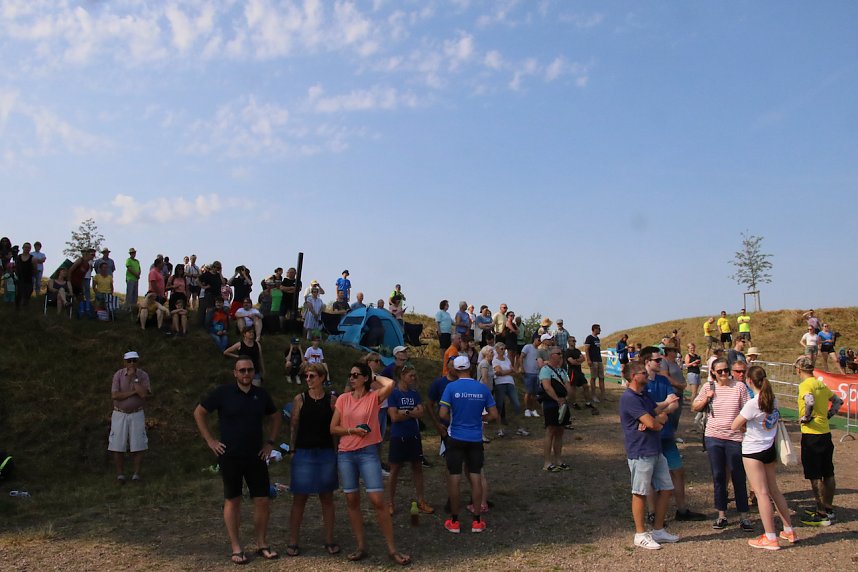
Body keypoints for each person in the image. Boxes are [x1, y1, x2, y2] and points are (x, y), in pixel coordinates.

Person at [193, 357, 281, 565]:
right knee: (233, 500)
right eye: (242, 370)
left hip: (256, 456)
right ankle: (236, 547)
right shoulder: (223, 393)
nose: (246, 374)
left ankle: (262, 543)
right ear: (235, 373)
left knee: (262, 500)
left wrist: (270, 443)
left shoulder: (261, 395)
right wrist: (210, 441)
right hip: (230, 455)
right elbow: (199, 412)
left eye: (249, 370)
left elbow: (276, 417)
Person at [329, 362, 411, 566]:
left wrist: (374, 376)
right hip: (346, 454)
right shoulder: (342, 399)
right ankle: (360, 546)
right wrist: (352, 431)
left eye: (356, 375)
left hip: (367, 453)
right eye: (350, 374)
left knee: (377, 501)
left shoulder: (373, 398)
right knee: (352, 501)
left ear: (365, 378)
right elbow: (333, 428)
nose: (352, 378)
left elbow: (390, 383)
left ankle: (392, 549)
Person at [731, 365, 797, 550]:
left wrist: (745, 427)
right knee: (774, 490)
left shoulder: (753, 403)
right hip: (769, 448)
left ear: (750, 381)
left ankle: (770, 536)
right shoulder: (773, 400)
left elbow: (734, 425)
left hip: (753, 450)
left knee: (761, 493)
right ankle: (788, 529)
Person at [619, 361, 680, 550]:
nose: (646, 374)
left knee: (667, 488)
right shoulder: (629, 398)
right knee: (640, 492)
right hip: (641, 451)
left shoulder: (643, 394)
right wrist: (658, 420)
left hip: (655, 449)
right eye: (642, 373)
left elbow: (653, 413)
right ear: (633, 376)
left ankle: (658, 529)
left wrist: (660, 413)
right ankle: (640, 533)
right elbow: (653, 422)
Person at [640, 347, 705, 523]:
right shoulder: (641, 382)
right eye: (657, 360)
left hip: (667, 434)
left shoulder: (662, 380)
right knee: (651, 476)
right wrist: (663, 406)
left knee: (678, 471)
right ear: (647, 362)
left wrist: (659, 409)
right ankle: (652, 513)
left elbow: (674, 403)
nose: (661, 363)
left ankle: (682, 510)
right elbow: (643, 409)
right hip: (650, 437)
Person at [691, 356, 752, 532]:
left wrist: (742, 425)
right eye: (720, 371)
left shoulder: (739, 387)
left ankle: (744, 516)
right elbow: (694, 406)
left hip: (734, 437)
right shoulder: (708, 387)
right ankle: (721, 515)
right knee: (718, 476)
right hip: (714, 436)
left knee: (738, 475)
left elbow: (748, 408)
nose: (724, 374)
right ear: (713, 372)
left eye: (726, 370)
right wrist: (706, 398)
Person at [439, 356, 499, 534]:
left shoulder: (451, 387)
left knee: (454, 477)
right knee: (475, 477)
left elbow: (442, 413)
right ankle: (477, 520)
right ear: (471, 369)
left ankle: (455, 521)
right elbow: (494, 414)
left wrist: (454, 419)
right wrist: (482, 418)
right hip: (475, 438)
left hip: (456, 436)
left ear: (456, 370)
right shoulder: (481, 388)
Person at [286, 362, 339, 557]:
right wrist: (292, 450)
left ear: (322, 378)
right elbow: (294, 425)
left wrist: (336, 451)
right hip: (304, 452)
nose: (308, 380)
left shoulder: (331, 400)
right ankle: (293, 540)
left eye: (312, 376)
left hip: (325, 452)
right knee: (299, 497)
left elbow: (335, 428)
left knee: (327, 497)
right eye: (306, 376)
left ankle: (329, 539)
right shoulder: (299, 399)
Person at [795, 357, 843, 526]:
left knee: (815, 475)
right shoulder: (821, 384)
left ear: (798, 369)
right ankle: (828, 508)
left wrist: (806, 418)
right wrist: (828, 416)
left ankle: (821, 512)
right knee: (828, 472)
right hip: (825, 432)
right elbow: (838, 401)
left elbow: (809, 401)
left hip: (811, 433)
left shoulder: (805, 385)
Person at [387, 363, 434, 516]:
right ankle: (390, 503)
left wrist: (404, 413)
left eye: (414, 375)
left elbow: (421, 413)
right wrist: (409, 411)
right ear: (402, 376)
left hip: (413, 435)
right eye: (411, 376)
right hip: (398, 436)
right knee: (394, 470)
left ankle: (421, 500)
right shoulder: (394, 394)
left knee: (417, 468)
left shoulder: (415, 394)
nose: (413, 378)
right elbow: (394, 417)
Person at [108, 351, 152, 484]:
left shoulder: (143, 375)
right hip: (119, 413)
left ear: (138, 361)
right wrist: (134, 392)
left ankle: (136, 474)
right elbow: (115, 395)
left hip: (136, 413)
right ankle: (120, 475)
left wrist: (134, 379)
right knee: (117, 445)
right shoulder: (118, 375)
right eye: (129, 361)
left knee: (138, 444)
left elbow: (144, 394)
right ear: (124, 362)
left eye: (134, 360)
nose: (132, 363)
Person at [538, 348, 572, 472]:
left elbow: (568, 385)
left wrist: (567, 397)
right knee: (551, 430)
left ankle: (559, 460)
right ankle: (547, 462)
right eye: (558, 354)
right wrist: (557, 399)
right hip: (550, 403)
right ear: (552, 356)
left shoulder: (562, 371)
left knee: (560, 431)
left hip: (563, 403)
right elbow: (547, 387)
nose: (561, 356)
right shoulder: (545, 370)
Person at [492, 342, 529, 438]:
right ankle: (499, 429)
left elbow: (512, 370)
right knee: (499, 406)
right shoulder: (495, 361)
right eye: (501, 348)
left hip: (510, 383)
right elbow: (499, 372)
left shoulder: (507, 359)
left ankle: (520, 427)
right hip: (500, 384)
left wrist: (511, 371)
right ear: (496, 350)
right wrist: (510, 371)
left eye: (504, 348)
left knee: (517, 404)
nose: (503, 350)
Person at [567, 336, 594, 413]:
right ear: (569, 342)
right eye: (573, 341)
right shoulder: (567, 352)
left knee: (586, 386)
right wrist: (578, 361)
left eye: (575, 340)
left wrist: (577, 361)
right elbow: (572, 362)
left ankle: (588, 403)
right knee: (573, 388)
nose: (574, 342)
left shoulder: (577, 350)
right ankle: (573, 403)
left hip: (579, 371)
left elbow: (583, 358)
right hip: (572, 372)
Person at [520, 333, 542, 419]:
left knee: (534, 393)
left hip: (537, 373)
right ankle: (527, 409)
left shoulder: (539, 350)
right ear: (535, 339)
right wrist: (522, 368)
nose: (540, 342)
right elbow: (521, 357)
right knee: (528, 392)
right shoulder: (527, 347)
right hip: (528, 372)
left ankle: (533, 409)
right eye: (539, 340)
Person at [583, 324, 605, 403]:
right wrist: (588, 359)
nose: (600, 330)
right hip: (593, 361)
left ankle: (603, 395)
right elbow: (586, 349)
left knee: (602, 378)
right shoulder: (589, 338)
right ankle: (593, 395)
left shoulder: (598, 339)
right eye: (599, 329)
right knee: (593, 378)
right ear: (594, 329)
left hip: (599, 360)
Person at [13, 242, 35, 308]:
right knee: (18, 296)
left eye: (28, 247)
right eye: (25, 247)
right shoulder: (18, 257)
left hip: (28, 280)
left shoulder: (32, 258)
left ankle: (25, 312)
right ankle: (17, 311)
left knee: (26, 296)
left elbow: (35, 270)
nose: (27, 249)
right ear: (23, 248)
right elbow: (16, 268)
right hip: (19, 280)